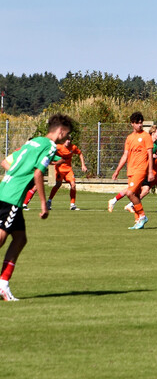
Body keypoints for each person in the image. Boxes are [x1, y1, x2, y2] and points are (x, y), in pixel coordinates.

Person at [0, 113, 74, 301]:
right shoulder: (49, 146)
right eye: (67, 135)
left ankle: (3, 284)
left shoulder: (33, 143)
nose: (66, 138)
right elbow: (39, 173)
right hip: (12, 197)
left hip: (5, 189)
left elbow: (7, 162)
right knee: (1, 238)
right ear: (61, 131)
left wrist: (18, 175)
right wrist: (43, 203)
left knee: (20, 238)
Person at [109, 112, 154, 230]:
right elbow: (125, 155)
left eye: (141, 123)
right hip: (131, 170)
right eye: (137, 123)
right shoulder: (129, 138)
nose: (140, 125)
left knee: (129, 193)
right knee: (136, 196)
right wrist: (117, 170)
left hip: (141, 170)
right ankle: (138, 220)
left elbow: (150, 155)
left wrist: (150, 172)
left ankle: (143, 216)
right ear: (132, 124)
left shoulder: (146, 136)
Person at [46, 134, 87, 211]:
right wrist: (51, 161)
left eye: (69, 140)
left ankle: (72, 205)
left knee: (73, 185)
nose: (68, 141)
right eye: (66, 140)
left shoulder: (73, 147)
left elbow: (80, 154)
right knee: (58, 184)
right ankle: (49, 201)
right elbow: (50, 153)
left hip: (68, 170)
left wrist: (83, 165)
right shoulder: (58, 147)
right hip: (59, 169)